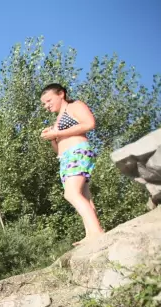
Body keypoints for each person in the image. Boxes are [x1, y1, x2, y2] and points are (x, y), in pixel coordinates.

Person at [40, 83, 105, 246]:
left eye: (49, 100)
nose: (46, 106)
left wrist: (57, 132)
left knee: (71, 193)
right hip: (66, 158)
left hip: (78, 152)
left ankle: (97, 231)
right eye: (44, 104)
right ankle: (90, 233)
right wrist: (52, 138)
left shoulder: (74, 106)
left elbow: (89, 124)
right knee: (83, 196)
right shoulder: (57, 120)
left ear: (61, 94)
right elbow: (58, 150)